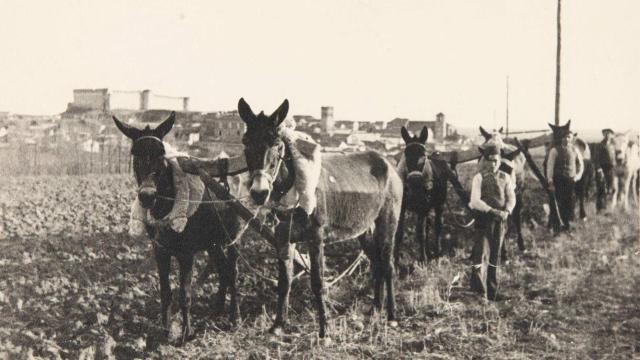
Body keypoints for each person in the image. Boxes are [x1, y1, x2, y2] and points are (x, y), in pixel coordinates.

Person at [469, 144, 516, 301]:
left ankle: (492, 290)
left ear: (499, 161)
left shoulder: (505, 177)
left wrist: (507, 211)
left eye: (495, 161)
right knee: (480, 255)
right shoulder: (479, 178)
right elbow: (475, 201)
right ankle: (480, 292)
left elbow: (511, 197)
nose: (492, 164)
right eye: (489, 161)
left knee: (495, 256)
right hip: (484, 219)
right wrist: (491, 210)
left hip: (500, 221)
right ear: (485, 161)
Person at [546, 127, 584, 232]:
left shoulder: (575, 150)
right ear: (562, 138)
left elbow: (581, 164)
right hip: (558, 180)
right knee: (558, 202)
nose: (567, 139)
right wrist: (550, 180)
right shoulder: (554, 150)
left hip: (570, 180)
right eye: (565, 137)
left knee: (569, 203)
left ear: (572, 139)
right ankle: (556, 226)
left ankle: (567, 226)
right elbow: (550, 166)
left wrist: (577, 176)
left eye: (569, 137)